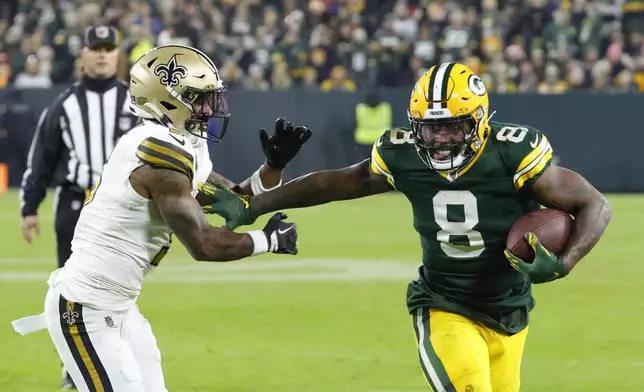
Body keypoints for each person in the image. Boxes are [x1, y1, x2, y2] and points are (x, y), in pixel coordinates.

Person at [201, 63, 612, 391]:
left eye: (451, 126)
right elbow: (338, 182)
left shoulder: (512, 153)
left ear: (480, 122)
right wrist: (254, 203)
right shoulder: (403, 155)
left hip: (510, 309)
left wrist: (565, 261)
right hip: (445, 304)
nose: (440, 140)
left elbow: (594, 204)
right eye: (430, 128)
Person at [12, 44, 310, 392]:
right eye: (198, 98)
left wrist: (272, 167)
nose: (209, 108)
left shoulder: (179, 144)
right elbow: (205, 245)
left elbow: (236, 204)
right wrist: (267, 241)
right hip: (85, 308)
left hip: (120, 305)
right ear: (166, 100)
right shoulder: (157, 154)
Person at [18, 25, 137, 389]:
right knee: (72, 290)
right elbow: (42, 158)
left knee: (117, 288)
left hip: (120, 206)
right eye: (95, 48)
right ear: (83, 55)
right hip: (75, 202)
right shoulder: (65, 104)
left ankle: (112, 356)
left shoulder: (135, 102)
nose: (101, 54)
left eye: (108, 48)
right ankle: (74, 367)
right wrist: (29, 207)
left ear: (117, 54)